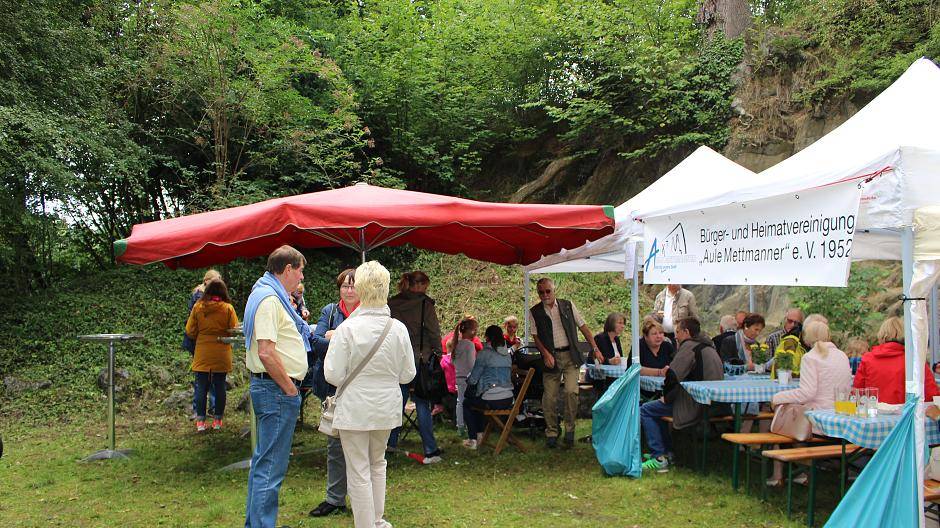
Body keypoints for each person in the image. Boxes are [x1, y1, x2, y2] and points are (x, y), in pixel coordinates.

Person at [324, 260, 416, 528]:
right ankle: (376, 520)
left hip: (354, 408)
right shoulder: (398, 329)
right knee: (378, 462)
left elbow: (332, 374)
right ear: (385, 289)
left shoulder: (347, 329)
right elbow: (407, 375)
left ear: (361, 290)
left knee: (359, 469)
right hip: (386, 407)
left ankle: (366, 524)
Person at [243, 245, 311, 528]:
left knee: (265, 464)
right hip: (276, 390)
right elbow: (267, 352)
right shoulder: (270, 300)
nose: (301, 278)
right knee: (270, 467)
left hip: (273, 389)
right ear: (288, 270)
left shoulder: (267, 294)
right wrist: (290, 388)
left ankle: (257, 522)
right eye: (300, 271)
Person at [766, 320, 853, 486]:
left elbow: (807, 393)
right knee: (794, 422)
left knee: (779, 425)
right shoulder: (841, 355)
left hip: (819, 420)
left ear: (807, 338)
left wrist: (777, 398)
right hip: (841, 415)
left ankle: (779, 475)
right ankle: (801, 473)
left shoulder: (810, 357)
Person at [307, 268, 359, 518]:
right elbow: (316, 342)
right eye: (345, 286)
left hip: (360, 386)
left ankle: (361, 498)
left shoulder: (367, 312)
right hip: (332, 388)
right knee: (335, 443)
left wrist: (336, 337)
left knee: (361, 446)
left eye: (353, 286)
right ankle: (335, 498)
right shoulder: (330, 312)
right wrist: (343, 339)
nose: (349, 291)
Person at [640, 317, 723, 472]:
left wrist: (667, 397)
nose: (675, 336)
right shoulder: (709, 346)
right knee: (656, 409)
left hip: (695, 405)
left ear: (686, 332)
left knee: (646, 409)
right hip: (716, 404)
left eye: (677, 332)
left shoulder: (689, 347)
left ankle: (659, 457)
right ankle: (668, 452)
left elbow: (673, 376)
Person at [528, 277, 603, 448]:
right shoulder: (535, 312)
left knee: (571, 392)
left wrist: (595, 348)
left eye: (548, 291)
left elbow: (583, 327)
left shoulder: (567, 305)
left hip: (570, 356)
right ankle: (552, 432)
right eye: (541, 292)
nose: (545, 295)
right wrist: (545, 353)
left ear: (554, 290)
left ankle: (569, 431)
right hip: (551, 359)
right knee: (549, 397)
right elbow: (536, 336)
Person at [387, 271, 444, 463]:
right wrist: (438, 352)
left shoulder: (392, 303)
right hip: (420, 358)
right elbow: (434, 331)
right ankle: (430, 448)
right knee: (422, 402)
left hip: (396, 358)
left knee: (397, 402)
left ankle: (390, 444)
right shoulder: (425, 304)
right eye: (425, 286)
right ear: (418, 286)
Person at [185, 278, 239, 432]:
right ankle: (217, 420)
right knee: (220, 385)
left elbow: (190, 330)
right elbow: (234, 329)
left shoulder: (198, 306)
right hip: (221, 349)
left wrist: (201, 336)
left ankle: (200, 422)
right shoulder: (228, 308)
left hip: (202, 350)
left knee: (201, 385)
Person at [854, 316, 940, 404]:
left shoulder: (867, 359)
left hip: (875, 414)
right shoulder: (914, 360)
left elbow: (857, 395)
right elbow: (932, 395)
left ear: (881, 335)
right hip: (907, 415)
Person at [463, 325, 515, 450]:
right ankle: (480, 436)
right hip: (509, 399)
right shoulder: (507, 354)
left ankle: (473, 438)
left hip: (491, 399)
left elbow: (473, 379)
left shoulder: (484, 354)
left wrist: (467, 379)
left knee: (468, 403)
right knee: (478, 399)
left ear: (487, 338)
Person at [185, 268, 222, 418]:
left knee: (208, 376)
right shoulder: (199, 297)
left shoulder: (217, 297)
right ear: (207, 281)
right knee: (203, 377)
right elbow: (193, 324)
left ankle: (208, 409)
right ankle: (200, 410)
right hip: (200, 342)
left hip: (207, 342)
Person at [449, 317, 479, 440]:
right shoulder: (469, 345)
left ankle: (460, 426)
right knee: (468, 403)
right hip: (468, 377)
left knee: (459, 402)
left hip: (458, 376)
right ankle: (472, 426)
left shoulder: (456, 344)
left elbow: (452, 361)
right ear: (471, 331)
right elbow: (472, 364)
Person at [589, 312, 627, 397]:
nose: (623, 326)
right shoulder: (600, 338)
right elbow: (591, 359)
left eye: (623, 323)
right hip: (602, 378)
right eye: (620, 323)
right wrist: (609, 361)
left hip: (615, 377)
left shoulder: (616, 339)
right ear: (611, 323)